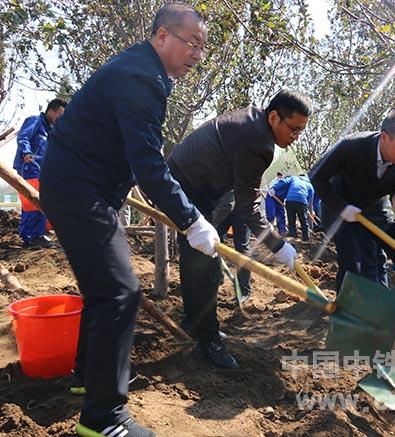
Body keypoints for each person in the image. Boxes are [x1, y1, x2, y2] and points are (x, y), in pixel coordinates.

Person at [40, 5, 214, 436]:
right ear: (161, 36)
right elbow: (150, 163)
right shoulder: (141, 78)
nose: (197, 53)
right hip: (79, 191)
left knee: (105, 290)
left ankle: (88, 376)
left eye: (203, 48)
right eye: (192, 43)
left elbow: (130, 153)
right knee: (120, 291)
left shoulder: (145, 73)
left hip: (84, 188)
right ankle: (104, 419)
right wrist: (191, 220)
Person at [167, 89, 312, 369]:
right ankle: (209, 341)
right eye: (293, 129)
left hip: (196, 183)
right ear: (274, 117)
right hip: (186, 185)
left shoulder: (255, 122)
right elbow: (248, 207)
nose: (296, 138)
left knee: (197, 254)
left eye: (301, 131)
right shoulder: (259, 143)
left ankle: (193, 321)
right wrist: (278, 245)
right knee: (207, 261)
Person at [310, 110, 395, 300]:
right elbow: (316, 175)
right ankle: (345, 314)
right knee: (352, 265)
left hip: (375, 208)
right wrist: (342, 207)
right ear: (384, 138)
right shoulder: (352, 146)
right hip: (341, 207)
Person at [13, 98, 66, 247]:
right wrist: (26, 152)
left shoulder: (50, 131)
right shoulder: (35, 121)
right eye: (60, 116)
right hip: (28, 167)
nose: (61, 120)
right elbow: (23, 137)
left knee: (35, 202)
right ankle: (34, 236)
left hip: (40, 170)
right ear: (51, 111)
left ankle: (30, 235)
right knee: (34, 201)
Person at [212, 190, 252, 300]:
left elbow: (229, 201)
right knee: (214, 241)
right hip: (223, 207)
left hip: (241, 208)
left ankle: (244, 290)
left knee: (242, 248)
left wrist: (211, 222)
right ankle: (217, 276)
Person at [272, 174, 314, 241]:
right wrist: (306, 207)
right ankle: (306, 238)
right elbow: (309, 201)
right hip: (302, 201)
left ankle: (293, 236)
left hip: (290, 200)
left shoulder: (294, 178)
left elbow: (284, 181)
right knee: (303, 221)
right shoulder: (310, 185)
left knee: (291, 220)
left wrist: (273, 187)